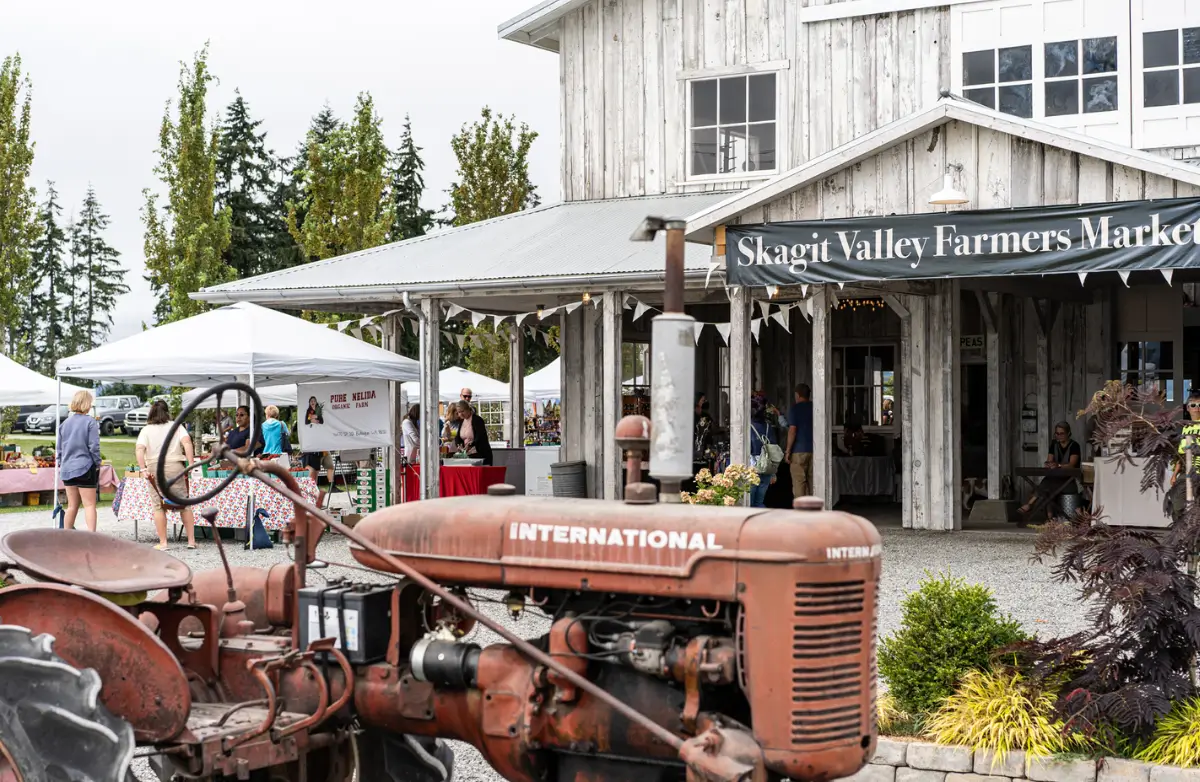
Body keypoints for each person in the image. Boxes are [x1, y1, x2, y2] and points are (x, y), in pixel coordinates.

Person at [136, 401, 197, 551]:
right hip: (175, 466)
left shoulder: (146, 430)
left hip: (154, 467)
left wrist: (143, 468)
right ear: (167, 412)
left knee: (158, 506)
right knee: (185, 505)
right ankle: (191, 541)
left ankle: (163, 543)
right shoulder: (176, 426)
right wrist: (190, 463)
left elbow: (139, 449)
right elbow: (187, 442)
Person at [1017, 420, 1082, 520]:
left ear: (1068, 433)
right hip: (1055, 478)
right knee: (1048, 484)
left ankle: (1031, 505)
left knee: (1047, 486)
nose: (1059, 436)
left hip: (1068, 481)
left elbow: (1072, 465)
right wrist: (1049, 464)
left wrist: (1058, 465)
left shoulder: (1074, 446)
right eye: (1057, 433)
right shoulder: (1054, 445)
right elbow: (1049, 460)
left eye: (1061, 433)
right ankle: (1049, 516)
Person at [58, 389, 102, 532]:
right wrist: (97, 462)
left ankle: (66, 535)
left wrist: (61, 464)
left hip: (67, 468)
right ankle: (92, 536)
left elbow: (59, 449)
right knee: (89, 505)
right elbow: (93, 446)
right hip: (84, 467)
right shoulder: (90, 422)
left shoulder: (64, 424)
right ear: (87, 404)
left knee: (72, 506)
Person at [749, 394, 778, 508]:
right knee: (759, 502)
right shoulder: (768, 427)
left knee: (749, 504)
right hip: (766, 466)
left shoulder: (748, 427)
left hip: (752, 467)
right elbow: (774, 449)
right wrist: (774, 473)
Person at [786, 383, 814, 498]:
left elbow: (792, 430)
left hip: (798, 451)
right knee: (814, 483)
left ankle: (802, 510)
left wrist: (788, 451)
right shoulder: (816, 408)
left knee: (799, 483)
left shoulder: (795, 409)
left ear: (797, 395)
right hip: (815, 450)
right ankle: (816, 510)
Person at [450, 400, 493, 466]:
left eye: (462, 411)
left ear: (468, 409)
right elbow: (458, 436)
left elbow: (480, 436)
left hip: (480, 454)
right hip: (468, 454)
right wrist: (459, 444)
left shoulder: (477, 420)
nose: (461, 414)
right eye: (459, 412)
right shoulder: (462, 421)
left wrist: (471, 444)